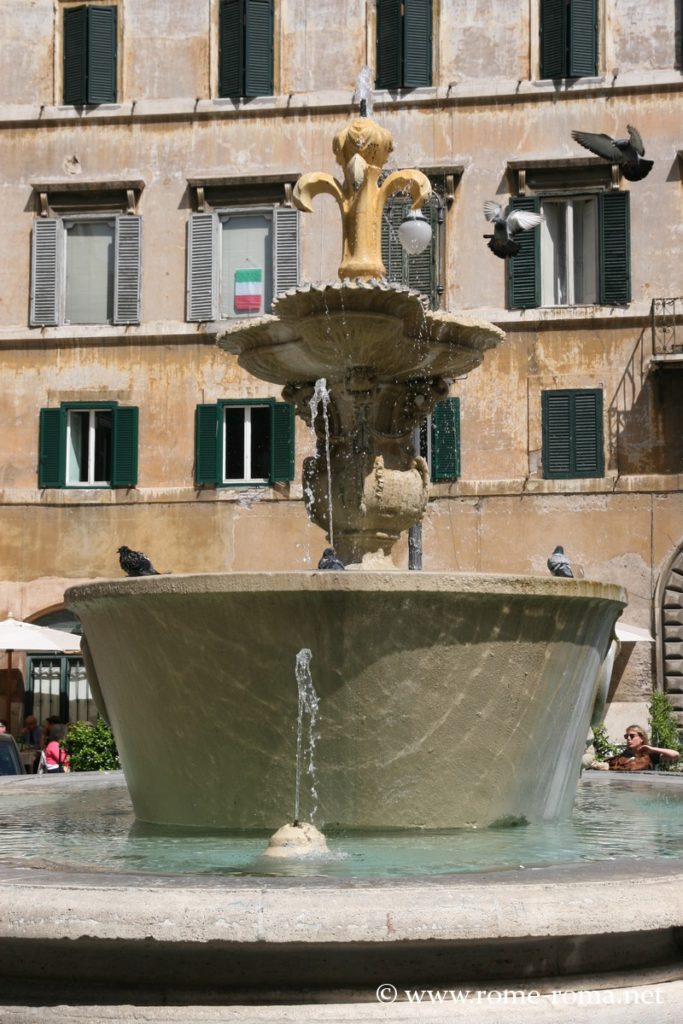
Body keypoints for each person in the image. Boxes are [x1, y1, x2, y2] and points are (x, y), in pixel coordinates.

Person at [607, 725, 680, 772]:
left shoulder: (650, 755)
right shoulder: (624, 755)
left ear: (641, 738)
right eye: (626, 736)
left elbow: (675, 755)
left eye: (632, 736)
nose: (628, 739)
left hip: (644, 791)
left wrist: (652, 749)